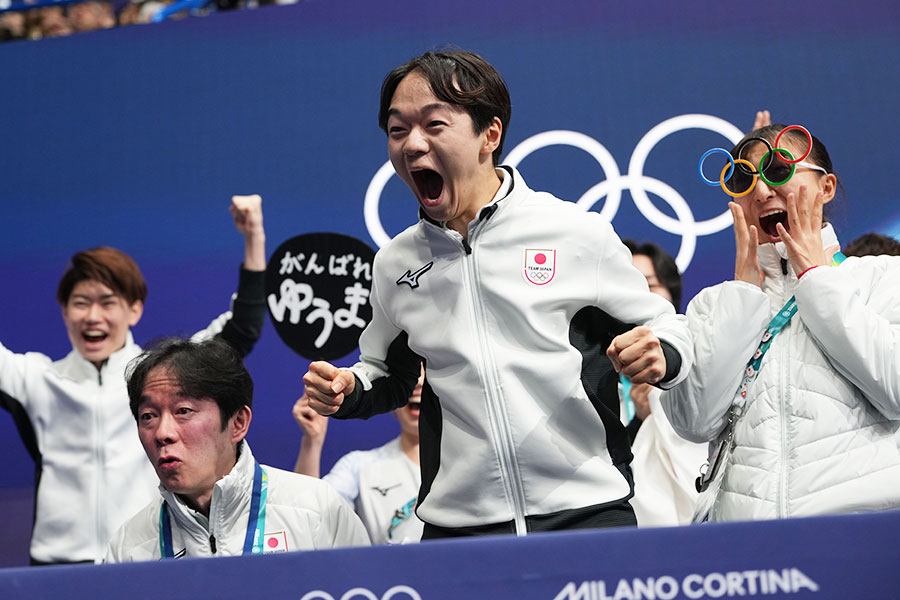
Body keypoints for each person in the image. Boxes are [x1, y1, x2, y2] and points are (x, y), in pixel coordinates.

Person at [303, 50, 693, 538]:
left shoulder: (573, 232)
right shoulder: (395, 264)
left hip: (588, 511)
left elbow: (667, 325)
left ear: (490, 134)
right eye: (397, 129)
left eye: (434, 124)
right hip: (458, 528)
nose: (412, 145)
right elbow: (386, 373)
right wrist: (348, 389)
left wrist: (663, 350)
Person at [0, 195, 267, 564]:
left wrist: (254, 236)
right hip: (56, 570)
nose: (93, 316)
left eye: (108, 302)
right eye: (80, 303)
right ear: (64, 311)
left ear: (134, 309)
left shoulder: (162, 376)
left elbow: (242, 327)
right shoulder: (33, 378)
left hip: (143, 558)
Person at [663, 123, 900, 521]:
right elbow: (693, 423)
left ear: (825, 188)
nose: (760, 191)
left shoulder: (885, 278)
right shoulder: (714, 303)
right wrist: (742, 297)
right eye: (744, 179)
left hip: (862, 531)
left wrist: (816, 278)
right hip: (748, 542)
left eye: (777, 170)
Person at [105, 338, 369, 562]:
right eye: (148, 416)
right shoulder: (128, 547)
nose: (162, 433)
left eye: (183, 411)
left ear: (238, 423)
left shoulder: (318, 510)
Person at [620, 240, 707, 527]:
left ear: (671, 292)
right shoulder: (585, 364)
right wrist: (639, 421)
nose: (637, 296)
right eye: (626, 285)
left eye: (649, 284)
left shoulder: (700, 360)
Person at [293, 365, 424, 544]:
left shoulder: (471, 465)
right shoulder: (358, 466)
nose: (420, 383)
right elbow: (309, 517)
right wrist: (312, 441)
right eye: (413, 377)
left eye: (428, 378)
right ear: (393, 402)